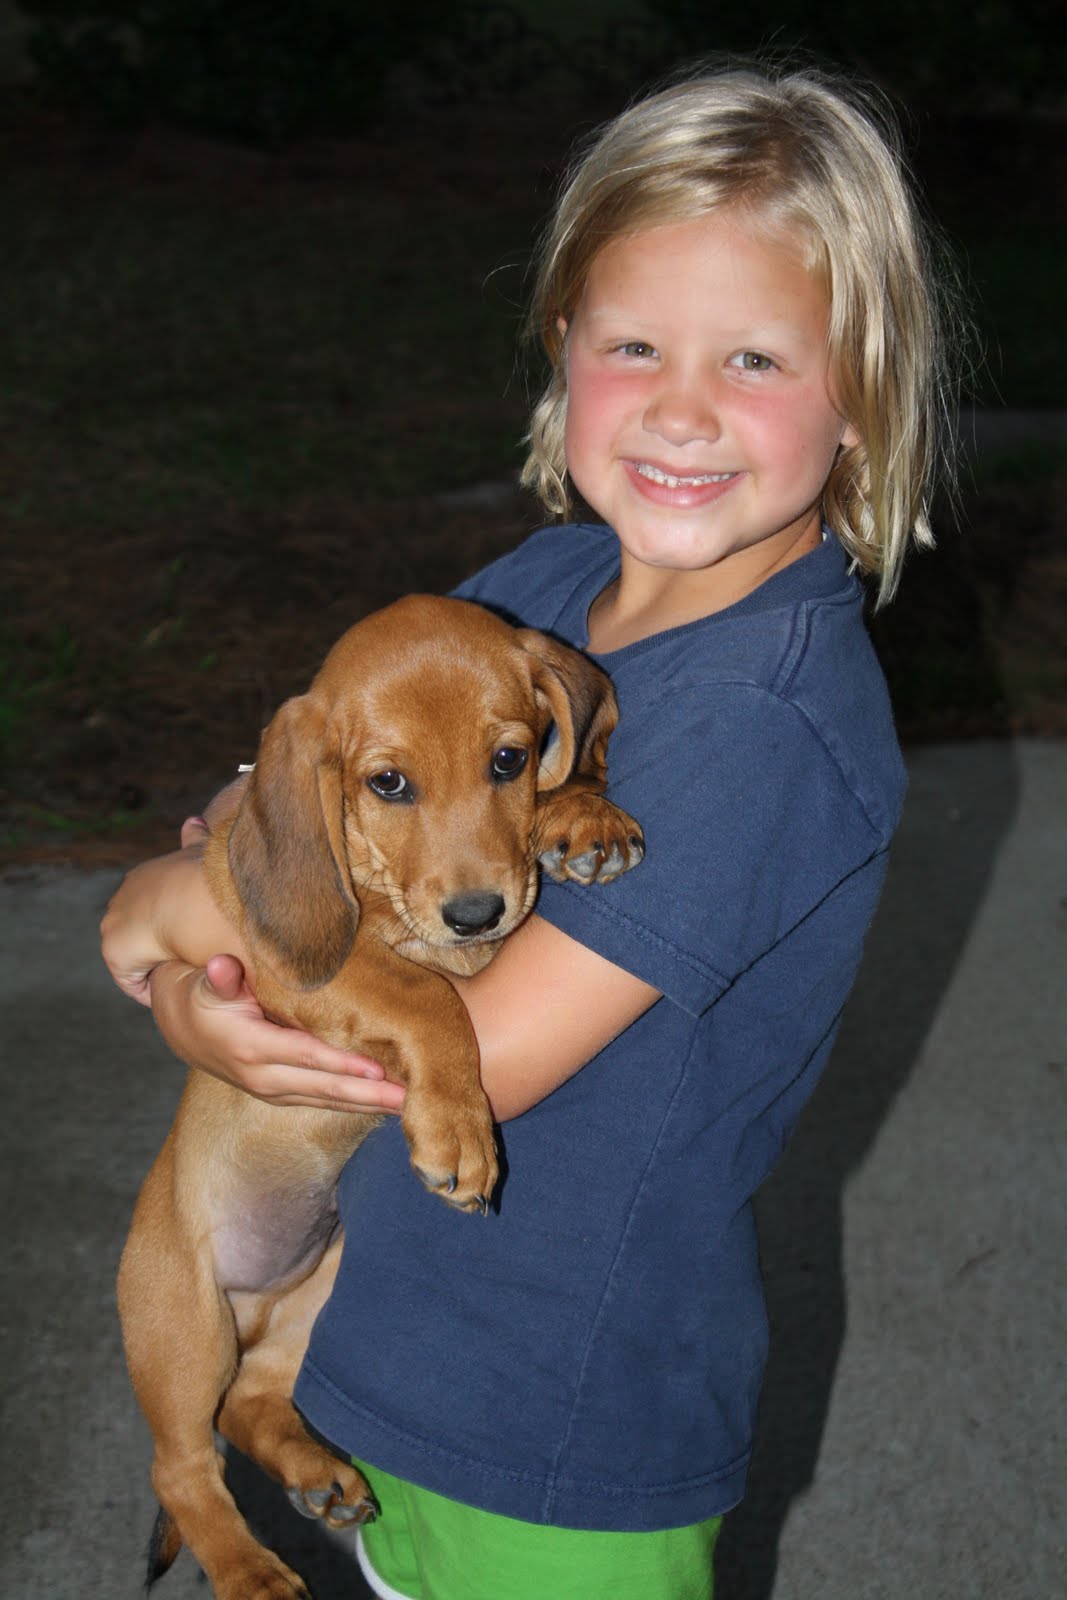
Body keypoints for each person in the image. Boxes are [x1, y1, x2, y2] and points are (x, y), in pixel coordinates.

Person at [101, 60, 958, 1600]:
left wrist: (165, 912)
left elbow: (468, 1061)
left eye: (756, 358)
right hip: (390, 1345)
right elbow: (273, 805)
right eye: (635, 345)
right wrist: (189, 980)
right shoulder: (539, 596)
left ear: (864, 396)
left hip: (564, 1425)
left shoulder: (759, 726)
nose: (684, 407)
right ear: (561, 351)